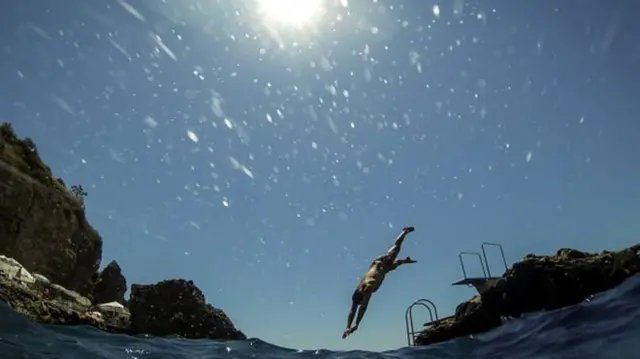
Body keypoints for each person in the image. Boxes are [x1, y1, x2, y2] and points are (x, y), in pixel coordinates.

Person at [342, 226, 417, 339]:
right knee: (396, 262)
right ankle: (405, 259)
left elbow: (362, 308)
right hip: (382, 269)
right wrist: (349, 326)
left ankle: (404, 231)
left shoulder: (369, 285)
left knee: (396, 249)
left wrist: (355, 325)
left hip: (379, 263)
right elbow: (355, 309)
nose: (366, 298)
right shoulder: (365, 290)